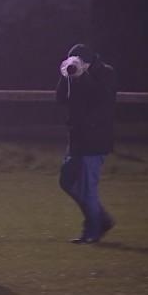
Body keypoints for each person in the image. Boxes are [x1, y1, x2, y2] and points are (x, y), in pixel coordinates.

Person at [56, 43, 117, 243]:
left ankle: (92, 232)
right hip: (77, 138)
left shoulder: (106, 73)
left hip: (95, 138)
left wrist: (83, 77)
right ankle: (101, 219)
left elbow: (99, 97)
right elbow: (60, 99)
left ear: (88, 61)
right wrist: (67, 75)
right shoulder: (75, 76)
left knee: (87, 188)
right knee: (66, 181)